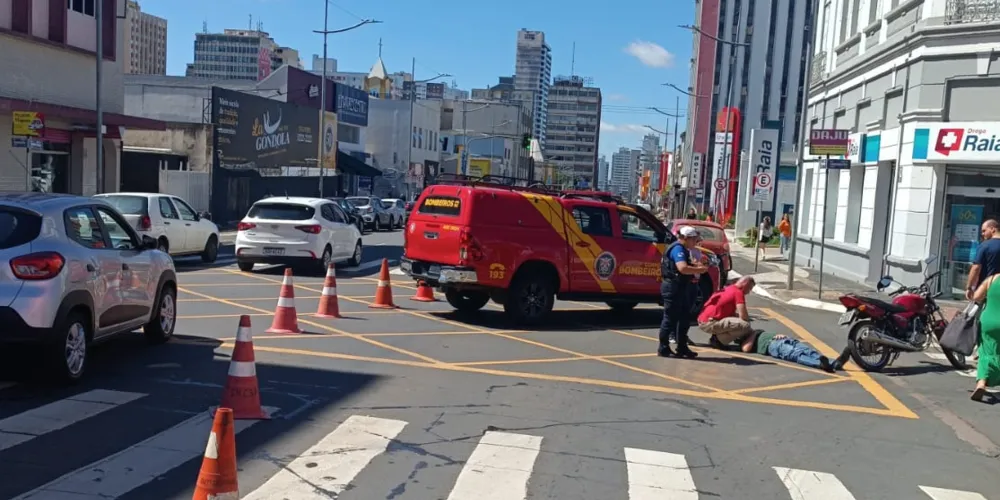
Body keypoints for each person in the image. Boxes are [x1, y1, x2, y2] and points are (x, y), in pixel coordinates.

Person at [658, 226, 707, 358]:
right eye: (693, 239)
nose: (695, 242)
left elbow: (687, 264)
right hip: (673, 287)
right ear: (685, 238)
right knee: (670, 318)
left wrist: (697, 265)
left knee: (684, 317)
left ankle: (682, 347)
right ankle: (663, 348)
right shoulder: (678, 249)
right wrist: (699, 270)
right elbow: (682, 268)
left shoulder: (685, 249)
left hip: (681, 287)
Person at [741, 330, 850, 373]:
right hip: (774, 346)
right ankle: (821, 364)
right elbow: (746, 349)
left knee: (808, 351)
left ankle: (835, 363)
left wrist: (777, 335)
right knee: (797, 354)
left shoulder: (756, 332)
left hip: (784, 340)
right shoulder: (745, 340)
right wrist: (754, 334)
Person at [698, 277, 757, 349]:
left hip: (704, 320)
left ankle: (717, 336)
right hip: (709, 323)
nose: (748, 292)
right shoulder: (738, 292)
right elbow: (743, 315)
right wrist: (748, 331)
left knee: (737, 320)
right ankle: (718, 340)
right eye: (749, 288)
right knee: (745, 325)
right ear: (745, 284)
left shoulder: (729, 288)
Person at [971, 273, 1000, 401]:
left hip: (989, 322)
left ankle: (981, 383)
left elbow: (976, 297)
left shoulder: (992, 279)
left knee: (985, 352)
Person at [965, 219, 1000, 301]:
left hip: (987, 288)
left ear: (992, 229)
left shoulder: (985, 246)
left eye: (984, 231)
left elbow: (976, 268)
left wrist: (969, 287)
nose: (982, 234)